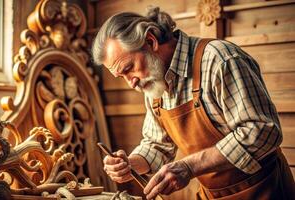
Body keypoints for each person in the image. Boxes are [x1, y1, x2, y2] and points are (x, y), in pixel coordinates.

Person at [92, 6, 294, 200]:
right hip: (212, 195)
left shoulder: (219, 59)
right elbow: (157, 145)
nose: (131, 83)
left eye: (129, 68)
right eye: (122, 77)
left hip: (264, 190)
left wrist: (190, 166)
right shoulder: (153, 81)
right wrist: (130, 164)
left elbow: (262, 131)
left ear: (151, 41)